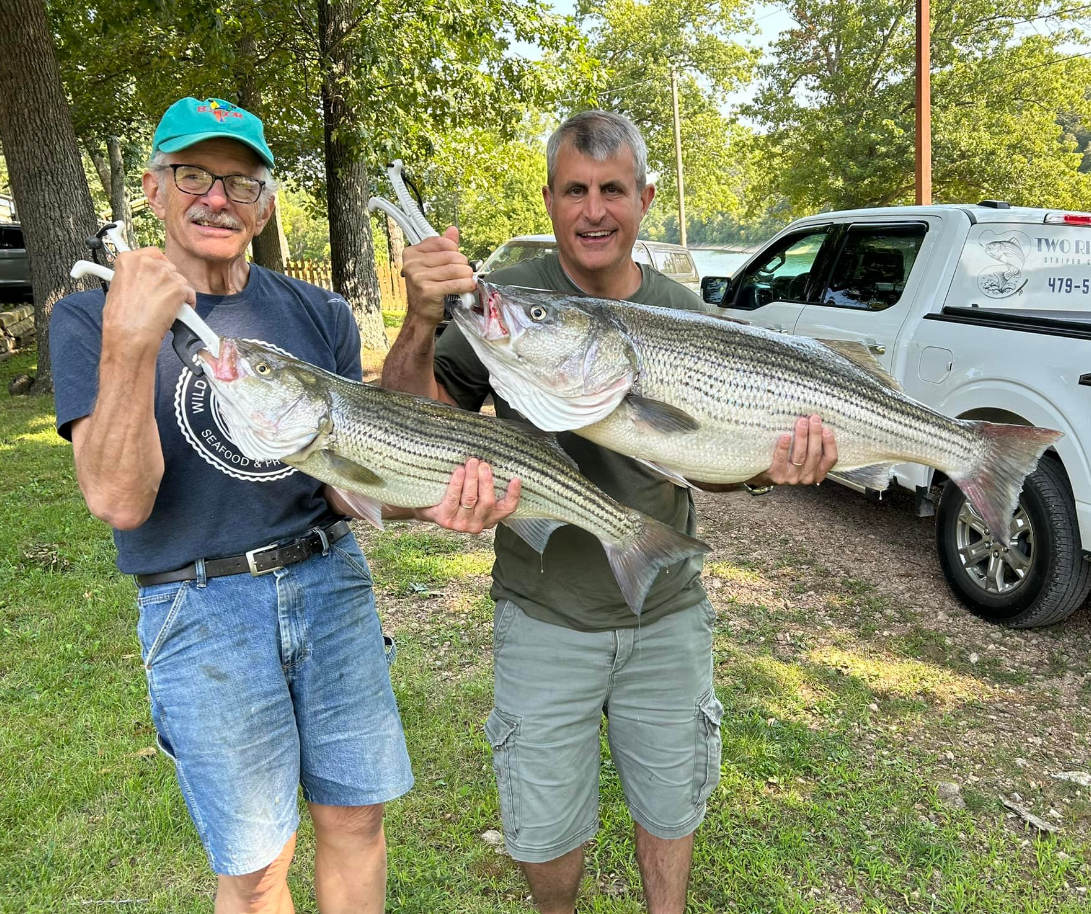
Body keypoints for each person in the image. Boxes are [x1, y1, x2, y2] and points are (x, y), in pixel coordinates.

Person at [382, 110, 839, 914]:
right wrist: (420, 320)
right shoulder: (506, 308)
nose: (594, 210)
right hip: (543, 612)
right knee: (546, 821)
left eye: (613, 190)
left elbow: (714, 468)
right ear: (550, 198)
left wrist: (769, 469)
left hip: (667, 610)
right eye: (575, 190)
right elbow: (409, 418)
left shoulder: (683, 310)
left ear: (644, 198)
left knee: (670, 803)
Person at [50, 97, 417, 914]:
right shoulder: (88, 315)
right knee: (253, 872)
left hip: (330, 586)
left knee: (356, 820)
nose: (217, 198)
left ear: (266, 204)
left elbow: (338, 482)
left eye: (241, 182)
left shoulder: (316, 312)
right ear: (153, 189)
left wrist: (428, 496)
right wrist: (128, 340)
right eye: (193, 176)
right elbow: (116, 498)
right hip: (200, 604)